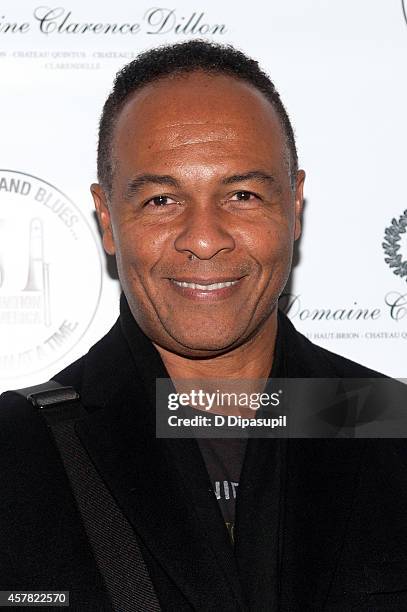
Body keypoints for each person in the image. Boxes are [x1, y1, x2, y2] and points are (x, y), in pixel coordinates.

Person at [1, 40, 407, 611]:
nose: (204, 238)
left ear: (293, 205)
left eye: (242, 194)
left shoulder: (391, 426)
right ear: (108, 219)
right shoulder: (17, 450)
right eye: (163, 199)